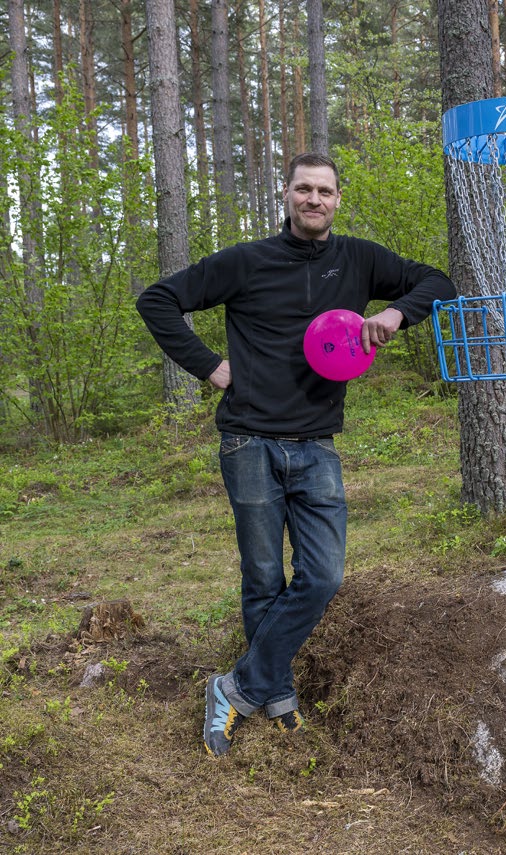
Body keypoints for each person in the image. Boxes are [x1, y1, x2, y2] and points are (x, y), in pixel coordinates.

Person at [137, 152, 456, 757]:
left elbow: (437, 281)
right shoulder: (246, 261)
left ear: (337, 200)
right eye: (303, 189)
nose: (314, 200)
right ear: (286, 195)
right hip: (249, 439)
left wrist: (394, 312)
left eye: (325, 191)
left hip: (317, 443)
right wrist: (208, 367)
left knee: (322, 575)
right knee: (262, 578)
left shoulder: (360, 259)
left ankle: (234, 688)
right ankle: (277, 693)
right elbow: (158, 300)